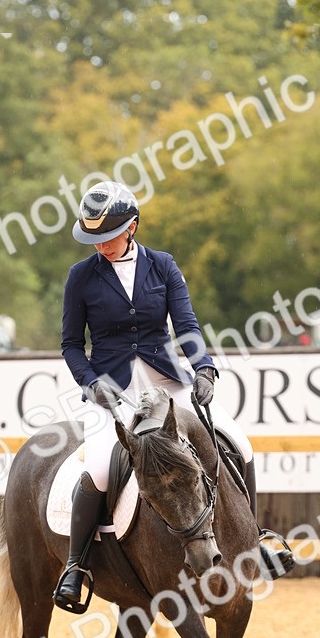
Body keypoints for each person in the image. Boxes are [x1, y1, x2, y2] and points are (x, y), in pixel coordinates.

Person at [54, 180, 260, 609]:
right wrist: (92, 383)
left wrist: (203, 367)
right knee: (98, 469)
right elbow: (72, 344)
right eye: (93, 239)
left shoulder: (162, 266)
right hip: (114, 389)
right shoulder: (81, 276)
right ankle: (76, 566)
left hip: (167, 382)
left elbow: (186, 326)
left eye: (107, 237)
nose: (100, 246)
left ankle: (255, 543)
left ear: (131, 226)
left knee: (238, 439)